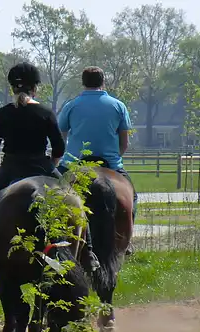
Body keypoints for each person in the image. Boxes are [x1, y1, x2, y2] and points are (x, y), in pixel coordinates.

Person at [0, 62, 99, 280]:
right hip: (42, 166)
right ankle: (89, 252)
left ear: (12, 88)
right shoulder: (45, 112)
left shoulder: (4, 113)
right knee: (76, 203)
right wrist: (51, 164)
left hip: (11, 168)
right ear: (35, 87)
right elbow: (59, 146)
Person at [56, 66, 138, 253]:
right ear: (103, 82)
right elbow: (124, 143)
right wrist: (115, 158)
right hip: (110, 164)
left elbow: (61, 137)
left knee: (51, 195)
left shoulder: (71, 106)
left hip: (74, 163)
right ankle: (126, 241)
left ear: (83, 82)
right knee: (132, 197)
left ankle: (53, 239)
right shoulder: (118, 106)